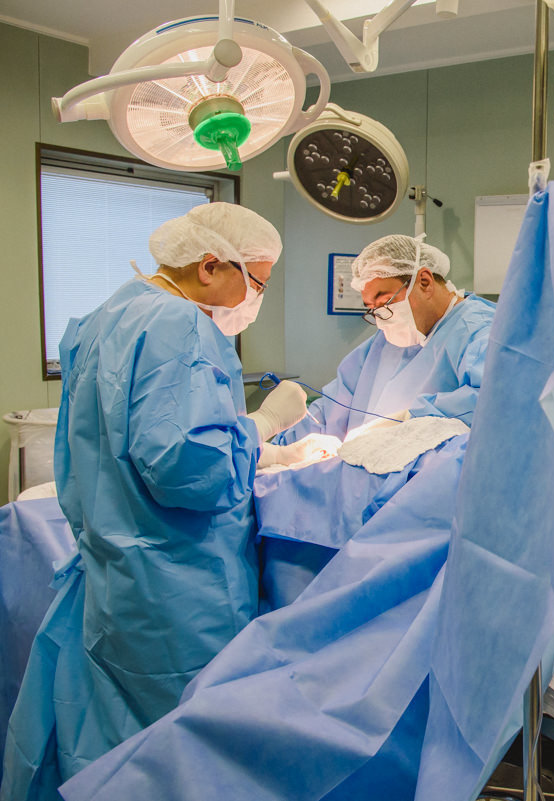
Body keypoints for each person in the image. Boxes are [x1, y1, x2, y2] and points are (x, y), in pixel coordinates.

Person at [1, 203, 326, 800]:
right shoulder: (180, 325)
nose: (255, 300)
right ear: (209, 266)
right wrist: (263, 425)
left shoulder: (104, 317)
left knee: (113, 742)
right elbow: (187, 470)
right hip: (177, 588)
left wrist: (255, 449)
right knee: (179, 747)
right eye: (257, 283)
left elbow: (117, 443)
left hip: (117, 572)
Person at [278, 233, 495, 443]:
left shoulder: (480, 331)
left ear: (425, 282)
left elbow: (491, 402)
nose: (382, 319)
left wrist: (410, 420)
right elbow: (334, 407)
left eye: (384, 303)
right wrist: (277, 448)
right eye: (373, 309)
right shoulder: (384, 342)